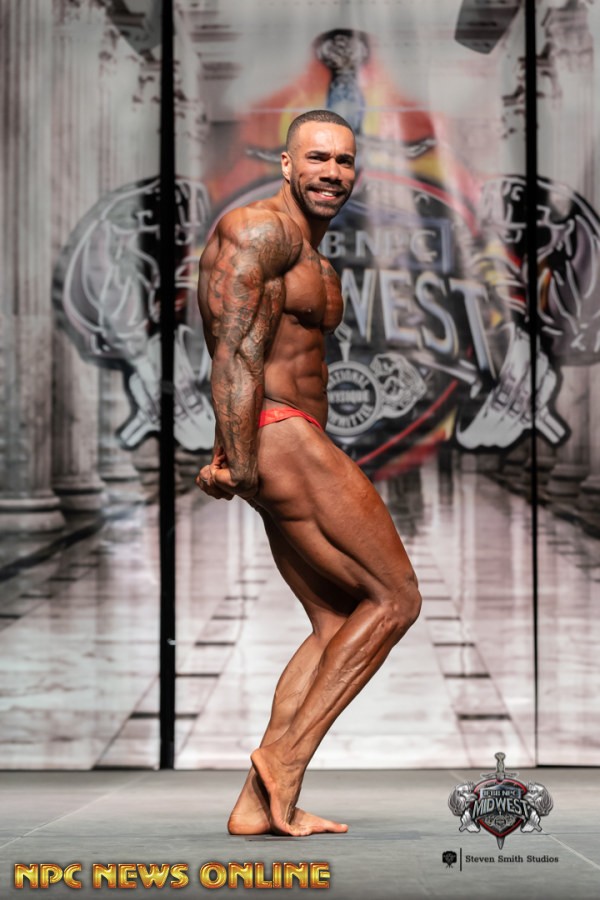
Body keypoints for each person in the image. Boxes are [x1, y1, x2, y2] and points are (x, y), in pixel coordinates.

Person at [196, 109, 421, 837]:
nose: (333, 172)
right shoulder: (261, 231)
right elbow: (234, 350)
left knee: (337, 620)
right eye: (317, 158)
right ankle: (284, 762)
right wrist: (237, 459)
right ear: (287, 164)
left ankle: (257, 805)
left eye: (345, 161)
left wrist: (242, 455)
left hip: (287, 435)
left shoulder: (316, 258)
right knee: (396, 600)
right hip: (279, 434)